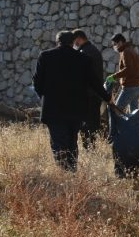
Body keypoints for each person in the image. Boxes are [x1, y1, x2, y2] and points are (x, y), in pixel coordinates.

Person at [33, 31, 115, 171]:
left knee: (58, 142)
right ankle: (71, 171)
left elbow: (37, 82)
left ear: (57, 42)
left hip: (53, 109)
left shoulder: (45, 56)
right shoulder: (83, 59)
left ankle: (63, 173)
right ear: (73, 42)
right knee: (72, 142)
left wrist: (46, 97)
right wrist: (108, 98)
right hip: (76, 110)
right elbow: (94, 83)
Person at [72, 29, 105, 147]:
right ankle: (92, 147)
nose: (74, 44)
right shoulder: (94, 50)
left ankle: (88, 147)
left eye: (74, 41)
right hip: (95, 94)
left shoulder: (84, 52)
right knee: (93, 122)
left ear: (79, 39)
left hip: (87, 95)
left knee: (86, 124)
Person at [108, 33, 139, 112]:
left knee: (116, 111)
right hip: (136, 86)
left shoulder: (125, 52)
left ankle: (115, 125)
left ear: (120, 42)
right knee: (134, 114)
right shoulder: (131, 49)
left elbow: (128, 69)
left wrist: (114, 76)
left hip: (129, 87)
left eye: (114, 44)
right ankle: (135, 125)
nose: (114, 46)